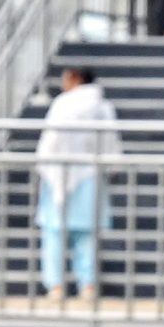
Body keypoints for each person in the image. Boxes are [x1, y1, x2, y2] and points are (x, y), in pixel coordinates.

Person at [35, 66, 122, 303]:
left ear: (76, 78)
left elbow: (50, 139)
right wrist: (113, 167)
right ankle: (88, 286)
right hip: (90, 174)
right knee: (87, 236)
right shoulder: (102, 107)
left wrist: (42, 164)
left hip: (59, 173)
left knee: (54, 233)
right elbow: (110, 141)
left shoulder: (63, 104)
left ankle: (56, 286)